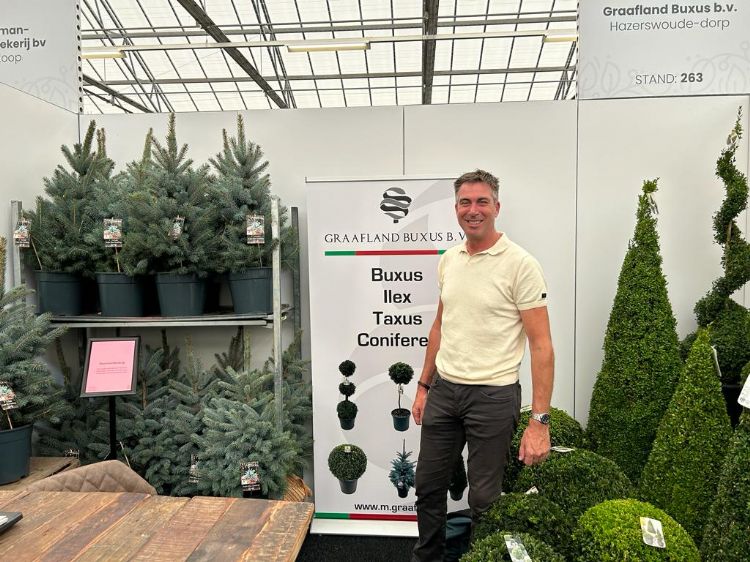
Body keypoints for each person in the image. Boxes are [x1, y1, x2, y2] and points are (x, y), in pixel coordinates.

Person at [410, 169, 554, 561]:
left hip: (493, 396)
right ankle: (428, 557)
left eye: (481, 202)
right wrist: (423, 386)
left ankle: (480, 557)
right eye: (465, 202)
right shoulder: (449, 260)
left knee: (485, 498)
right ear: (456, 208)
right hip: (445, 392)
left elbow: (542, 346)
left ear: (496, 207)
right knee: (428, 486)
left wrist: (539, 422)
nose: (473, 210)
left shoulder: (521, 264)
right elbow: (440, 326)